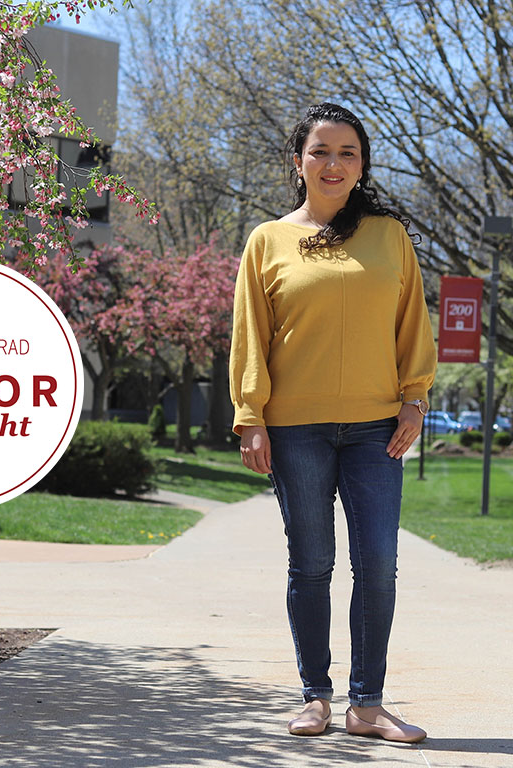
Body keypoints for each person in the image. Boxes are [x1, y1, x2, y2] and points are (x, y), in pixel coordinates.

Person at [229, 103, 437, 743]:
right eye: (321, 151)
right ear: (299, 162)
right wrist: (250, 416)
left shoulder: (388, 238)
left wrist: (415, 399)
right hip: (296, 430)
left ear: (362, 165)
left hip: (378, 427)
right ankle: (315, 698)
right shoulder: (267, 240)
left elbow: (413, 326)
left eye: (347, 152)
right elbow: (251, 337)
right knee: (312, 564)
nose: (333, 163)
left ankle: (367, 705)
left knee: (378, 563)